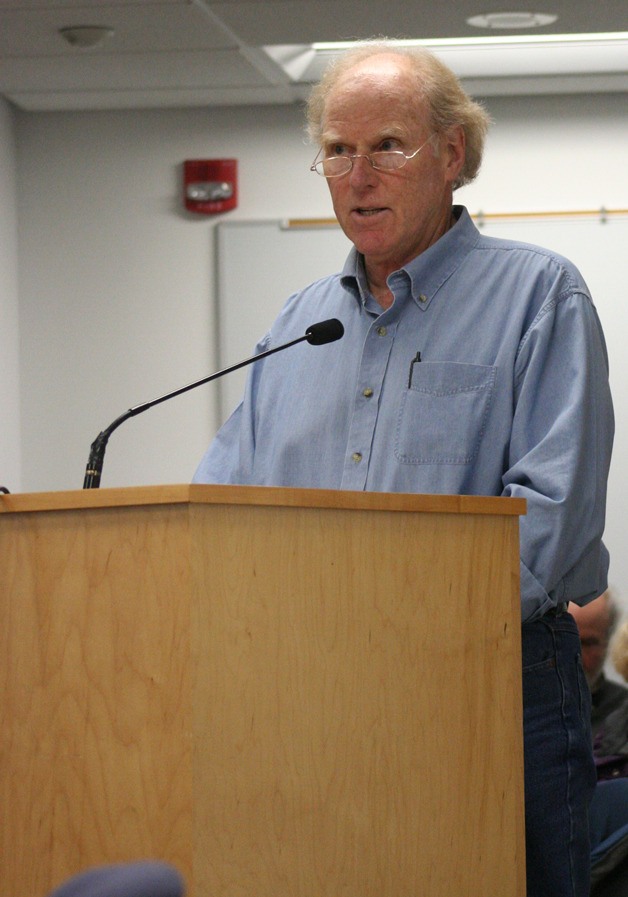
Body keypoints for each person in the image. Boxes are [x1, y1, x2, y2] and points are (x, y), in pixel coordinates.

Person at [194, 41, 615, 897]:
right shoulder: (297, 322)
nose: (358, 174)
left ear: (453, 154)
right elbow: (220, 507)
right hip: (312, 690)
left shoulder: (542, 295)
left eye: (387, 145)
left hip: (490, 683)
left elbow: (552, 511)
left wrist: (394, 621)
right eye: (339, 151)